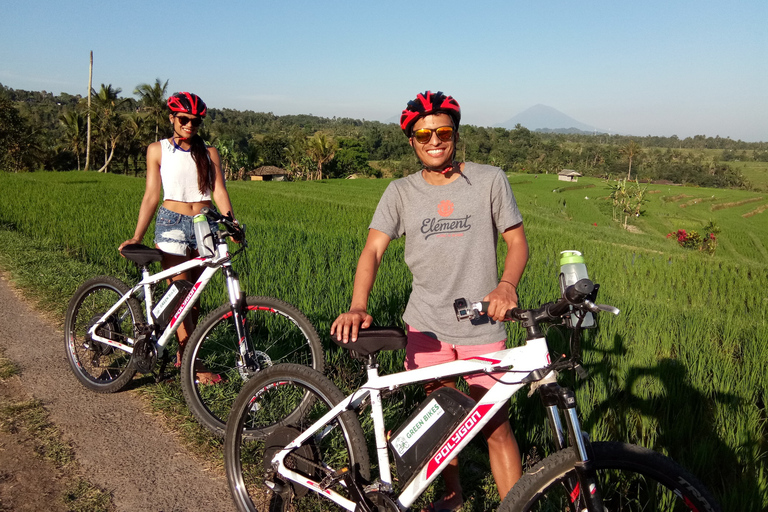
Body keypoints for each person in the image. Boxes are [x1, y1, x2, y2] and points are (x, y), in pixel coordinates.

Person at [330, 91, 528, 511]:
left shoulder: (490, 179)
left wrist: (506, 286)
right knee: (442, 422)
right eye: (424, 134)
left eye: (443, 131)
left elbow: (516, 242)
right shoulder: (400, 192)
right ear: (412, 142)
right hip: (426, 328)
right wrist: (359, 304)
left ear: (455, 134)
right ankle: (450, 495)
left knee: (495, 425)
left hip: (482, 326)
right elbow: (372, 251)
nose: (434, 140)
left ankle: (518, 506)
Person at [118, 92, 237, 382]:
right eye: (183, 119)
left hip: (205, 225)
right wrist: (137, 235)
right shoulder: (157, 150)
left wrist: (232, 222)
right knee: (181, 293)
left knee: (194, 299)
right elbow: (151, 195)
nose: (189, 125)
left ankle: (185, 358)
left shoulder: (209, 153)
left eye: (195, 122)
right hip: (172, 222)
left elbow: (218, 190)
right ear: (171, 118)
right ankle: (192, 367)